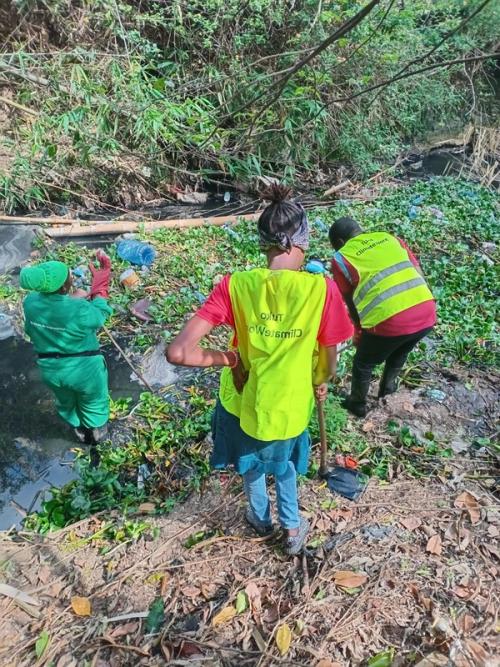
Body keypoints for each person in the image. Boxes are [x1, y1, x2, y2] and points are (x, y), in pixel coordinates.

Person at [167, 185, 353, 555]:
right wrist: (320, 380)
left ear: (264, 241)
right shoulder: (322, 290)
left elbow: (178, 352)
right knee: (283, 467)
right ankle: (292, 529)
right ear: (303, 239)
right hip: (288, 405)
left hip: (240, 403)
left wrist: (229, 358)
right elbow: (329, 360)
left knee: (250, 466)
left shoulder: (235, 285)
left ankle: (259, 517)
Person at [329, 217, 436, 417]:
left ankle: (357, 403)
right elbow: (418, 271)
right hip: (426, 312)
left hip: (391, 321)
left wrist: (359, 331)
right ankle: (387, 391)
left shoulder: (341, 258)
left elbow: (350, 301)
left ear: (340, 243)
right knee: (399, 352)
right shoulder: (389, 238)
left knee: (364, 362)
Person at [20, 251, 113, 445]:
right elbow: (101, 313)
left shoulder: (30, 303)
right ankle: (96, 437)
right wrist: (99, 286)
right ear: (64, 287)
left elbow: (50, 309)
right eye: (70, 276)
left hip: (51, 370)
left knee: (66, 402)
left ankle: (78, 431)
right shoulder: (80, 310)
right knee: (94, 402)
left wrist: (72, 299)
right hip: (84, 371)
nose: (72, 276)